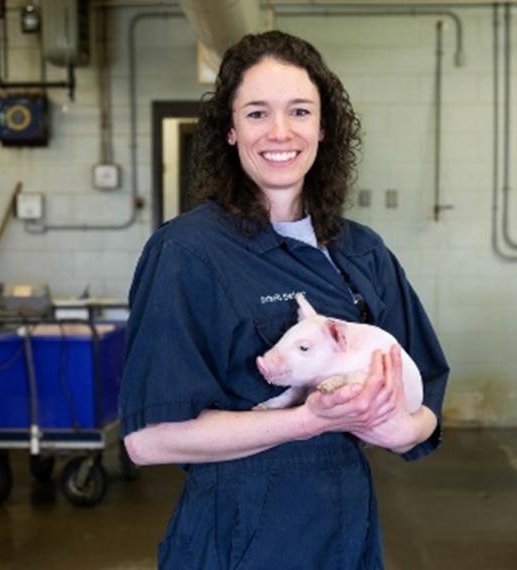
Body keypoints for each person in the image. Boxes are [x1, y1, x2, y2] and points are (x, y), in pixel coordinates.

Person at [120, 30, 449, 569]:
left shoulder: (362, 251)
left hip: (347, 528)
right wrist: (310, 419)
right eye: (256, 113)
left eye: (299, 111)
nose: (280, 132)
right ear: (229, 129)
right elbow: (149, 441)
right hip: (239, 534)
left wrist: (395, 428)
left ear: (323, 129)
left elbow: (427, 397)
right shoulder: (186, 252)